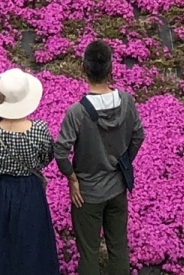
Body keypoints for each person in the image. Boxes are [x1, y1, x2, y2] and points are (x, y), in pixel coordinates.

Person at [56, 40, 145, 275]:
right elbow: (138, 134)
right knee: (118, 248)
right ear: (111, 69)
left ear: (83, 69)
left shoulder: (77, 112)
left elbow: (60, 151)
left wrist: (72, 179)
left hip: (87, 195)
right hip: (117, 190)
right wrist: (124, 161)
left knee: (89, 252)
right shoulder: (126, 102)